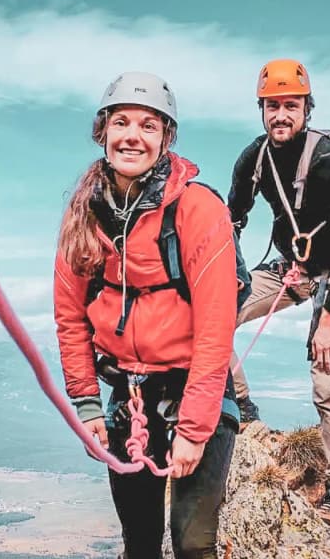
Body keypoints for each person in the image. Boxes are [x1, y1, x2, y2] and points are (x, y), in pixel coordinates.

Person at [53, 71, 242, 558]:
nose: (132, 135)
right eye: (121, 122)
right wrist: (87, 402)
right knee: (138, 544)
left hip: (195, 393)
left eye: (148, 126)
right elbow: (70, 314)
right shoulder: (85, 214)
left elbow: (216, 325)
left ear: (166, 138)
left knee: (193, 544)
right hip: (127, 397)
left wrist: (195, 430)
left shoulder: (198, 209)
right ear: (103, 133)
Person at [226, 58, 330, 527]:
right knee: (210, 320)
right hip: (289, 268)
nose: (280, 114)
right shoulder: (255, 158)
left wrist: (329, 321)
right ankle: (243, 411)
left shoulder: (329, 162)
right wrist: (223, 276)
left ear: (306, 108)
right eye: (272, 106)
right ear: (261, 110)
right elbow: (232, 219)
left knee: (327, 382)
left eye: (290, 105)